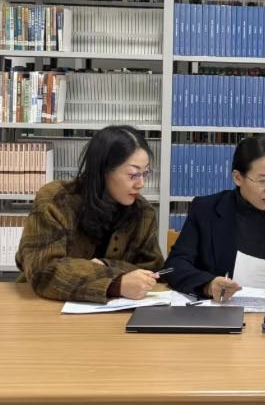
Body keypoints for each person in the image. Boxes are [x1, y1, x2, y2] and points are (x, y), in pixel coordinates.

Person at [16, 125, 162, 302]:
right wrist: (115, 283)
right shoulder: (55, 200)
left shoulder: (143, 212)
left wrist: (107, 265)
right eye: (133, 175)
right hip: (44, 305)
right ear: (103, 171)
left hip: (117, 311)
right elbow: (43, 270)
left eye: (145, 173)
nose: (141, 184)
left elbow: (152, 270)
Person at [165, 136, 265, 301]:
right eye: (263, 181)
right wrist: (208, 285)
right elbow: (174, 266)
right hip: (218, 309)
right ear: (238, 178)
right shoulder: (206, 210)